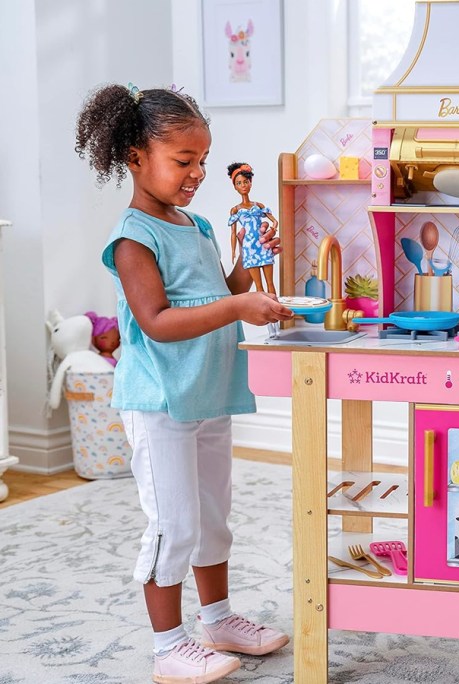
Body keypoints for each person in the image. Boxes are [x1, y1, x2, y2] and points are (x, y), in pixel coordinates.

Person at [75, 83, 295, 684]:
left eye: (203, 160)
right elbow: (159, 322)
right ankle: (168, 645)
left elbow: (219, 292)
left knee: (212, 516)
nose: (198, 173)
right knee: (173, 523)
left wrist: (251, 262)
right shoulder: (132, 239)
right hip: (162, 399)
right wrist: (241, 305)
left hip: (207, 389)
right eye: (183, 161)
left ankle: (218, 619)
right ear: (135, 157)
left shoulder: (195, 224)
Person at [227, 162, 278, 295]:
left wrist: (273, 228)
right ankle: (264, 313)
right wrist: (233, 251)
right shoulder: (235, 210)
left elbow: (274, 220)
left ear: (250, 182)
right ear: (234, 187)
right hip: (249, 248)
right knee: (259, 287)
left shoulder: (258, 205)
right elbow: (233, 233)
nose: (243, 185)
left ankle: (275, 313)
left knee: (271, 284)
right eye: (239, 183)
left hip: (263, 243)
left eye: (245, 182)